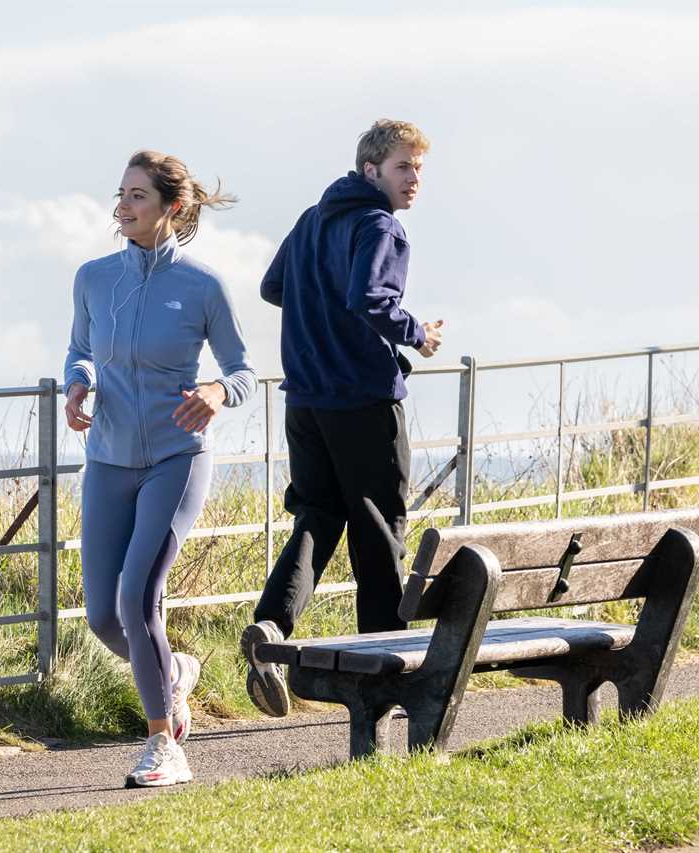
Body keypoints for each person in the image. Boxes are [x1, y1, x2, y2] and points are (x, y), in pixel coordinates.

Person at [63, 150, 257, 786]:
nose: (122, 206)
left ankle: (162, 746)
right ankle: (176, 673)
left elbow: (243, 373)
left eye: (137, 196)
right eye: (120, 194)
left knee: (137, 599)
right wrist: (79, 382)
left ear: (171, 207)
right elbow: (79, 350)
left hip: (176, 457)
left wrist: (217, 393)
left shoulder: (202, 286)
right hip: (109, 460)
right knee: (100, 616)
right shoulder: (92, 277)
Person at [240, 120, 442, 717]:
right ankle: (384, 671)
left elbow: (274, 286)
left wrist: (317, 313)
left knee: (318, 515)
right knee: (379, 529)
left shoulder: (311, 220)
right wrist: (418, 334)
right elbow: (372, 300)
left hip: (305, 398)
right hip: (363, 400)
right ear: (370, 170)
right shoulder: (381, 226)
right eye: (404, 167)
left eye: (419, 169)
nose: (414, 180)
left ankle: (272, 629)